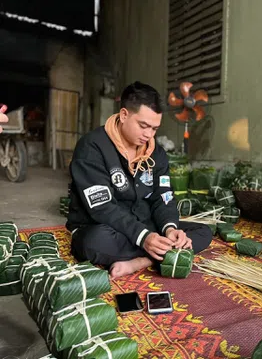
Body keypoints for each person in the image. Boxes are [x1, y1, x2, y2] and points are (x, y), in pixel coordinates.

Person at [67, 81, 213, 278]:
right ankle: (161, 253)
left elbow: (164, 196)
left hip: (144, 224)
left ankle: (143, 260)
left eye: (154, 129)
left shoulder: (156, 152)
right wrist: (144, 237)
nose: (148, 135)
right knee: (93, 243)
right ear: (124, 115)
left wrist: (169, 229)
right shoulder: (92, 147)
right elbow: (102, 207)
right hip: (103, 225)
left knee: (203, 232)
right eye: (143, 126)